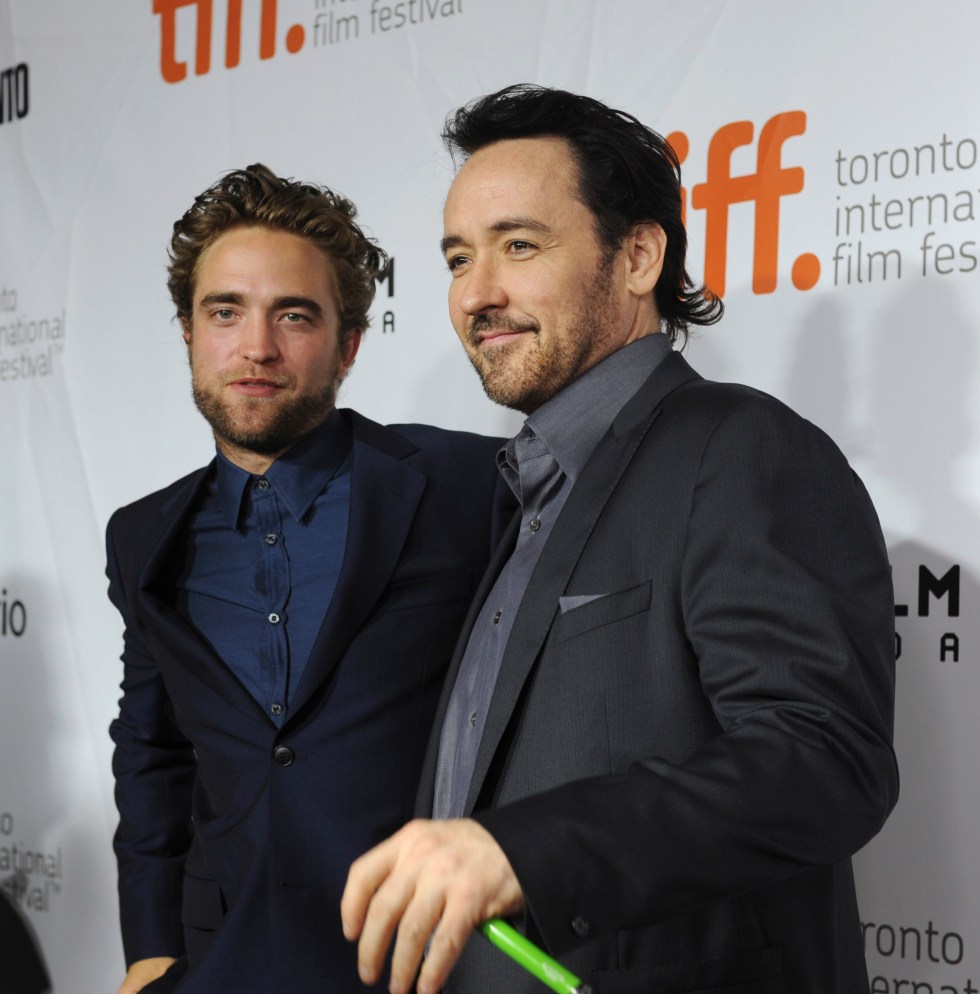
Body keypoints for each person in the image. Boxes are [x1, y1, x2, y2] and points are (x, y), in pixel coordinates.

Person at [340, 85, 899, 994]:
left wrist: (520, 851)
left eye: (520, 245)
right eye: (458, 258)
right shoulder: (525, 491)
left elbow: (824, 759)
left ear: (639, 256)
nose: (477, 294)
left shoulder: (742, 448)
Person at [106, 164, 509, 994]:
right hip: (222, 959)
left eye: (293, 314)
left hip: (422, 956)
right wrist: (149, 947)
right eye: (225, 312)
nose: (256, 347)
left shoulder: (469, 486)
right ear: (188, 332)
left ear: (349, 343)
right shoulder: (143, 535)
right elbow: (151, 751)